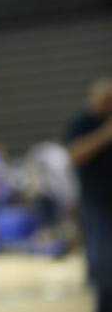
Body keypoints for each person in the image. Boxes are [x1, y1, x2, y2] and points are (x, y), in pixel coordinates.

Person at [64, 77, 112, 312]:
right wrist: (105, 134)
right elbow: (73, 154)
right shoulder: (84, 122)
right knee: (103, 258)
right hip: (97, 202)